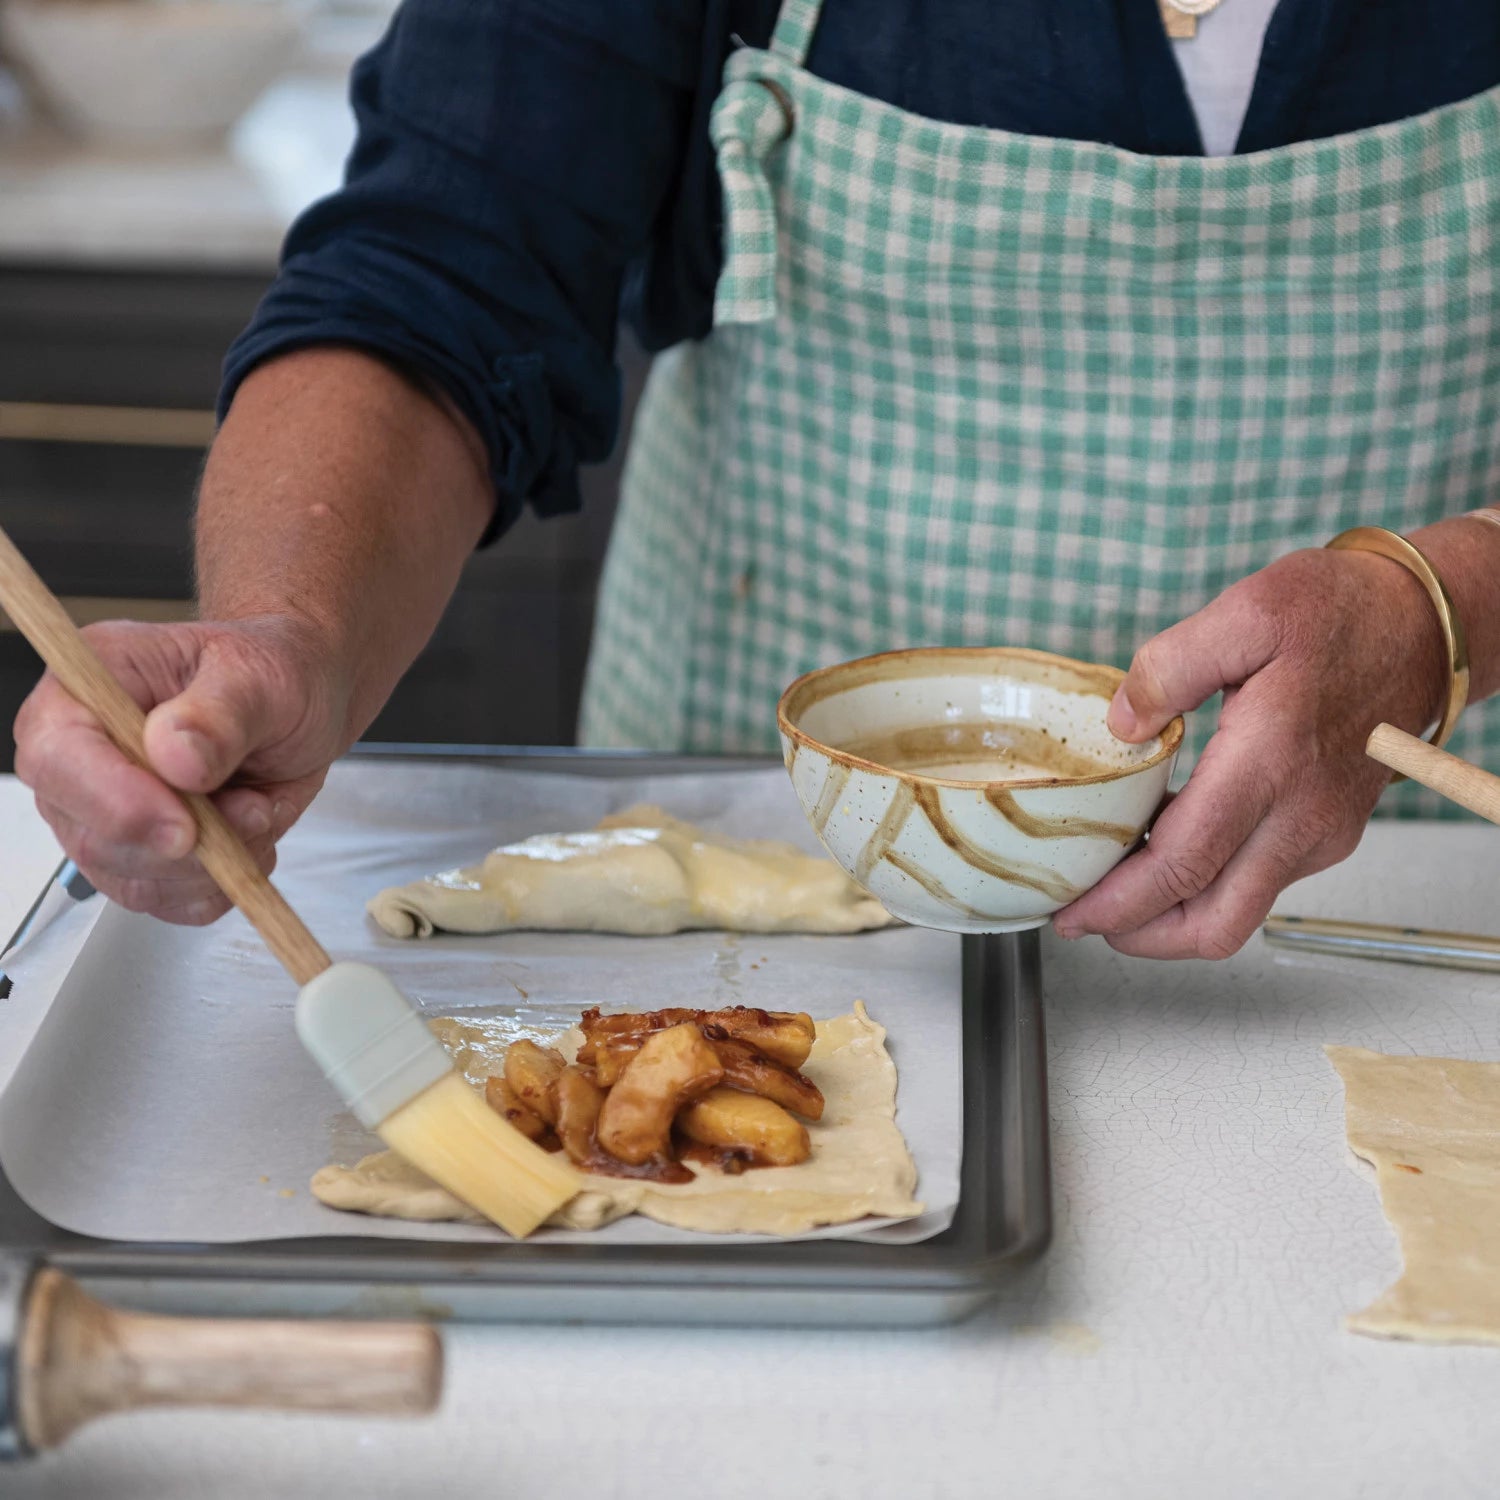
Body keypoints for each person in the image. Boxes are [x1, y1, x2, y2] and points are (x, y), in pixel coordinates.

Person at [13, 0, 1500, 960]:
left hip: (1394, 910)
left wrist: (1445, 612)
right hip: (747, 894)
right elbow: (439, 272)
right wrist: (293, 633)